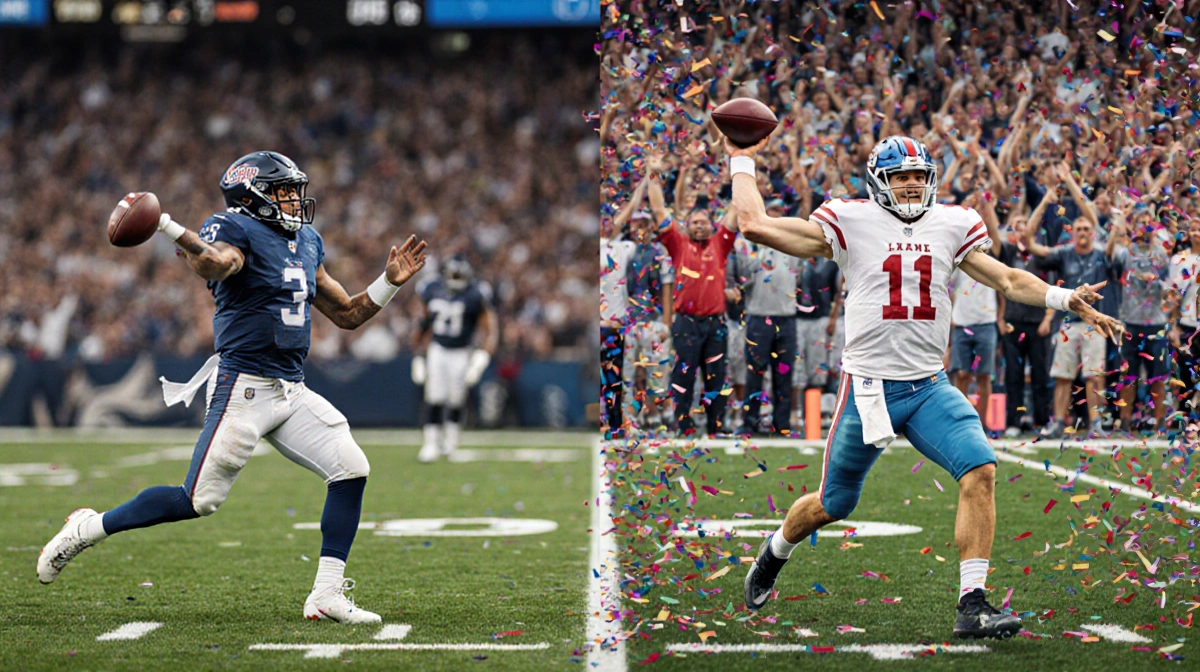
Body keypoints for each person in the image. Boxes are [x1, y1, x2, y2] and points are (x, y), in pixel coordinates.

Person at [728, 134, 1121, 639]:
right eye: (901, 176)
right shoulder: (851, 219)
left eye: (919, 175)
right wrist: (742, 157)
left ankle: (972, 604)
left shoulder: (952, 222)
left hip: (929, 386)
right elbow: (754, 224)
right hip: (870, 388)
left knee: (980, 468)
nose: (912, 185)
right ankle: (775, 551)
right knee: (834, 503)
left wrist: (1065, 298)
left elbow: (1007, 279)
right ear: (879, 182)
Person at [37, 151, 428, 624]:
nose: (295, 200)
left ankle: (326, 594)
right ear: (254, 196)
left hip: (291, 389)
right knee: (197, 500)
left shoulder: (307, 240)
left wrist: (388, 283)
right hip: (244, 387)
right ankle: (88, 527)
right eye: (284, 191)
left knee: (351, 468)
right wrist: (168, 226)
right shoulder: (234, 228)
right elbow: (216, 263)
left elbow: (347, 314)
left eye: (295, 190)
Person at [646, 155, 739, 438]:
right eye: (695, 222)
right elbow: (658, 209)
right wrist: (653, 174)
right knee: (683, 377)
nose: (699, 225)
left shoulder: (720, 243)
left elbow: (735, 209)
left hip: (715, 324)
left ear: (712, 225)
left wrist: (742, 167)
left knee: (716, 377)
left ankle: (715, 428)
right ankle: (683, 428)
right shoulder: (678, 243)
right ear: (686, 226)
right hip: (686, 323)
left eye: (703, 222)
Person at [1022, 193, 1120, 439]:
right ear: (1073, 233)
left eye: (1087, 228)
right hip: (1068, 323)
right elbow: (1031, 245)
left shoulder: (1101, 254)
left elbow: (1113, 250)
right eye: (1079, 229)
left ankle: (1096, 424)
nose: (1083, 232)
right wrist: (1043, 202)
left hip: (1094, 323)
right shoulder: (1064, 253)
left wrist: (1118, 225)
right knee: (1062, 376)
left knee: (1094, 376)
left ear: (1093, 232)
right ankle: (1058, 422)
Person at [412, 254, 498, 461]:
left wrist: (482, 357)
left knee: (456, 398)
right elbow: (422, 324)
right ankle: (431, 443)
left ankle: (451, 442)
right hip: (438, 349)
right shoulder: (432, 289)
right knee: (434, 396)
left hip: (461, 351)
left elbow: (489, 329)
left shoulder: (476, 293)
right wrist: (418, 356)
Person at [730, 199, 802, 435]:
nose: (777, 215)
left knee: (784, 373)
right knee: (755, 373)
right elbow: (741, 275)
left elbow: (799, 274)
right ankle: (750, 422)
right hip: (759, 315)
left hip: (786, 316)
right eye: (773, 211)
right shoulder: (748, 241)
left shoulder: (792, 241)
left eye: (781, 211)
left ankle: (782, 425)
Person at [1106, 212, 1171, 435]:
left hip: (1156, 322)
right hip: (1130, 322)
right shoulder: (1126, 253)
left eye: (1148, 222)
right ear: (1134, 228)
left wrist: (1156, 282)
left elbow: (1170, 287)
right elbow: (1109, 258)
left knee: (1158, 377)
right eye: (1140, 223)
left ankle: (1159, 423)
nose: (1145, 227)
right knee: (1128, 376)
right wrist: (1116, 227)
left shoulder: (1161, 254)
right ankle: (1125, 422)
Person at [995, 213, 1055, 437]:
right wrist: (1001, 317)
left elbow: (1052, 287)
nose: (1020, 230)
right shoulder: (1008, 253)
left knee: (1041, 375)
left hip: (1038, 323)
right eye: (1016, 227)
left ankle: (1041, 421)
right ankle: (1014, 421)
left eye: (1024, 226)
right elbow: (1000, 287)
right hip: (1013, 321)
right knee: (1013, 375)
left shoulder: (1040, 255)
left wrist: (1048, 318)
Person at [1168, 216, 1200, 420]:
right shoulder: (1179, 260)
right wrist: (1172, 325)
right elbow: (1173, 295)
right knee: (1186, 373)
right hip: (1187, 324)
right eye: (1193, 230)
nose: (1197, 233)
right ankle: (1186, 418)